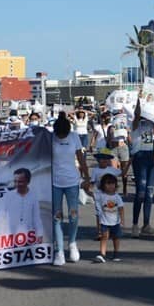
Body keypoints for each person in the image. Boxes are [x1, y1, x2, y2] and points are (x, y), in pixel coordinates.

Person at [52, 112, 90, 266]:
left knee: (73, 215)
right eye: (59, 135)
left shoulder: (74, 137)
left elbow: (81, 159)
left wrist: (87, 177)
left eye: (63, 135)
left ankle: (72, 243)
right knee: (57, 217)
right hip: (55, 183)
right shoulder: (50, 137)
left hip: (72, 182)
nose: (61, 137)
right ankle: (59, 251)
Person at [129, 99, 154, 238]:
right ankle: (135, 224)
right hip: (139, 156)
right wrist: (140, 100)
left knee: (150, 193)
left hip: (149, 157)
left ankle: (146, 224)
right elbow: (136, 115)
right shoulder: (135, 124)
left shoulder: (152, 124)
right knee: (140, 193)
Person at [83, 148, 122, 240]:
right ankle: (100, 232)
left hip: (111, 195)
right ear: (98, 160)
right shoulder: (95, 171)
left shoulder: (112, 170)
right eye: (102, 158)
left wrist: (128, 163)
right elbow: (92, 183)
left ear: (109, 160)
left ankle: (112, 230)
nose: (104, 160)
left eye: (106, 159)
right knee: (99, 213)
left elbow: (122, 173)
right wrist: (88, 190)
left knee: (111, 211)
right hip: (99, 195)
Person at [1, 168, 44, 243]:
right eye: (15, 181)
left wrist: (40, 234)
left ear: (28, 181)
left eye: (20, 182)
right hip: (11, 239)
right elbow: (0, 216)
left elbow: (36, 218)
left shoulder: (33, 196)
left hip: (29, 238)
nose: (17, 184)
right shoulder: (8, 196)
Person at [93, 173, 125, 263]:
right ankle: (102, 254)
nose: (110, 186)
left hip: (115, 222)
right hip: (104, 221)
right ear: (103, 185)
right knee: (104, 237)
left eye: (112, 183)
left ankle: (116, 253)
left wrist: (122, 220)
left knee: (116, 238)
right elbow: (92, 194)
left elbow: (121, 208)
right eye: (108, 183)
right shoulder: (101, 195)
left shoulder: (117, 197)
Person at [107, 109, 131, 194]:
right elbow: (108, 140)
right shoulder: (110, 126)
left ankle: (125, 188)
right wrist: (110, 133)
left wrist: (128, 132)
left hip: (123, 147)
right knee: (113, 171)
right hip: (113, 149)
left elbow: (129, 140)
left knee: (124, 171)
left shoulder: (125, 124)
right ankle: (114, 189)